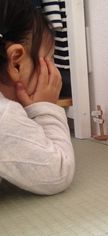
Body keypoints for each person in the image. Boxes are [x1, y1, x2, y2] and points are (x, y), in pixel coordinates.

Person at [0, 0, 75, 195]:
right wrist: (45, 107)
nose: (54, 72)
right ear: (16, 61)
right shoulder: (4, 114)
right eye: (49, 61)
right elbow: (57, 172)